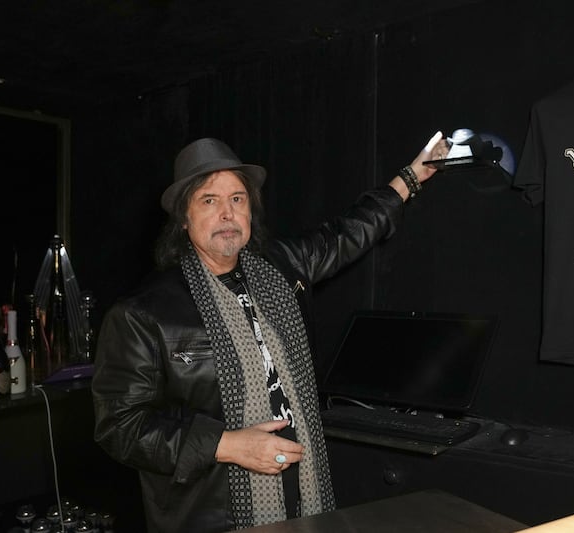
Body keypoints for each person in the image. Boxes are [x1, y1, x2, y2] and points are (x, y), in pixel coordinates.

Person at [91, 132, 449, 533]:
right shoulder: (143, 312)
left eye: (237, 199)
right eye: (210, 200)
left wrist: (411, 177)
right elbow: (119, 427)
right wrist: (225, 444)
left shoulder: (281, 267)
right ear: (184, 217)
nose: (227, 213)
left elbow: (348, 233)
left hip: (304, 489)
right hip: (214, 509)